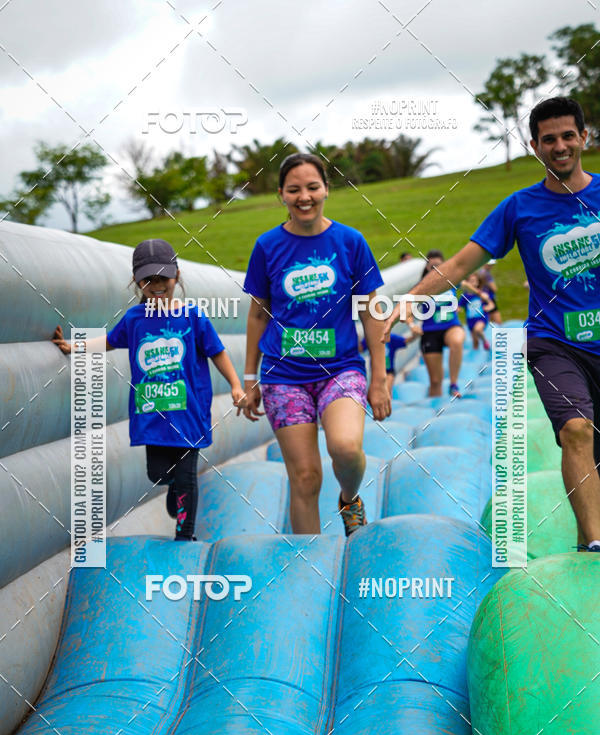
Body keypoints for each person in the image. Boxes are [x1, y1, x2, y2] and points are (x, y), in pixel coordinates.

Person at [383, 96, 600, 553]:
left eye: (567, 136)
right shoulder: (518, 208)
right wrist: (410, 300)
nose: (559, 146)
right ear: (534, 147)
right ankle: (596, 546)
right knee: (576, 430)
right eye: (548, 139)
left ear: (584, 137)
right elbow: (461, 263)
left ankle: (586, 539)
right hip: (553, 342)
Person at [238, 152, 391, 536]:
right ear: (281, 195)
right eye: (294, 190)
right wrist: (250, 377)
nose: (304, 196)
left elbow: (371, 312)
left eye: (312, 187)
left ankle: (349, 498)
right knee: (305, 477)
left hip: (340, 368)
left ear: (326, 189)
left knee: (344, 447)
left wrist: (379, 377)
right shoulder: (267, 246)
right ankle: (308, 565)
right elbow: (257, 316)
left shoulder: (350, 242)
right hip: (283, 375)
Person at [53, 238, 244, 541]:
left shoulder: (192, 316)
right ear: (137, 281)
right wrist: (72, 347)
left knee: (186, 475)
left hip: (187, 412)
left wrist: (236, 385)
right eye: (148, 279)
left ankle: (186, 536)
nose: (156, 284)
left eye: (163, 278)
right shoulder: (134, 319)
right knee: (157, 474)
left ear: (176, 277)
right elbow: (109, 342)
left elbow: (217, 352)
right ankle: (174, 489)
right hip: (151, 412)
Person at [417, 250, 465, 398]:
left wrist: (480, 294)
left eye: (439, 266)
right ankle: (434, 413)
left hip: (450, 327)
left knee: (457, 341)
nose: (436, 270)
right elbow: (408, 307)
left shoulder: (451, 282)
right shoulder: (421, 287)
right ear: (427, 268)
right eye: (433, 267)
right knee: (435, 381)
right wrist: (411, 325)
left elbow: (466, 283)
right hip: (430, 333)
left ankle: (453, 384)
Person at [359, 327, 419, 393]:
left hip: (389, 371)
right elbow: (360, 348)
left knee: (386, 391)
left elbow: (405, 341)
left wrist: (414, 336)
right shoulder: (371, 337)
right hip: (376, 373)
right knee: (378, 393)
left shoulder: (391, 338)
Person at [458, 272, 493, 351]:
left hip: (481, 318)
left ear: (478, 282)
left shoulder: (481, 294)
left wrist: (488, 307)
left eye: (475, 281)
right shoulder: (465, 296)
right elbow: (459, 307)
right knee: (475, 342)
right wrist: (457, 310)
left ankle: (485, 342)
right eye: (471, 281)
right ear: (467, 283)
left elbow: (491, 305)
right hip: (470, 320)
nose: (473, 283)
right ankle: (476, 359)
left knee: (478, 330)